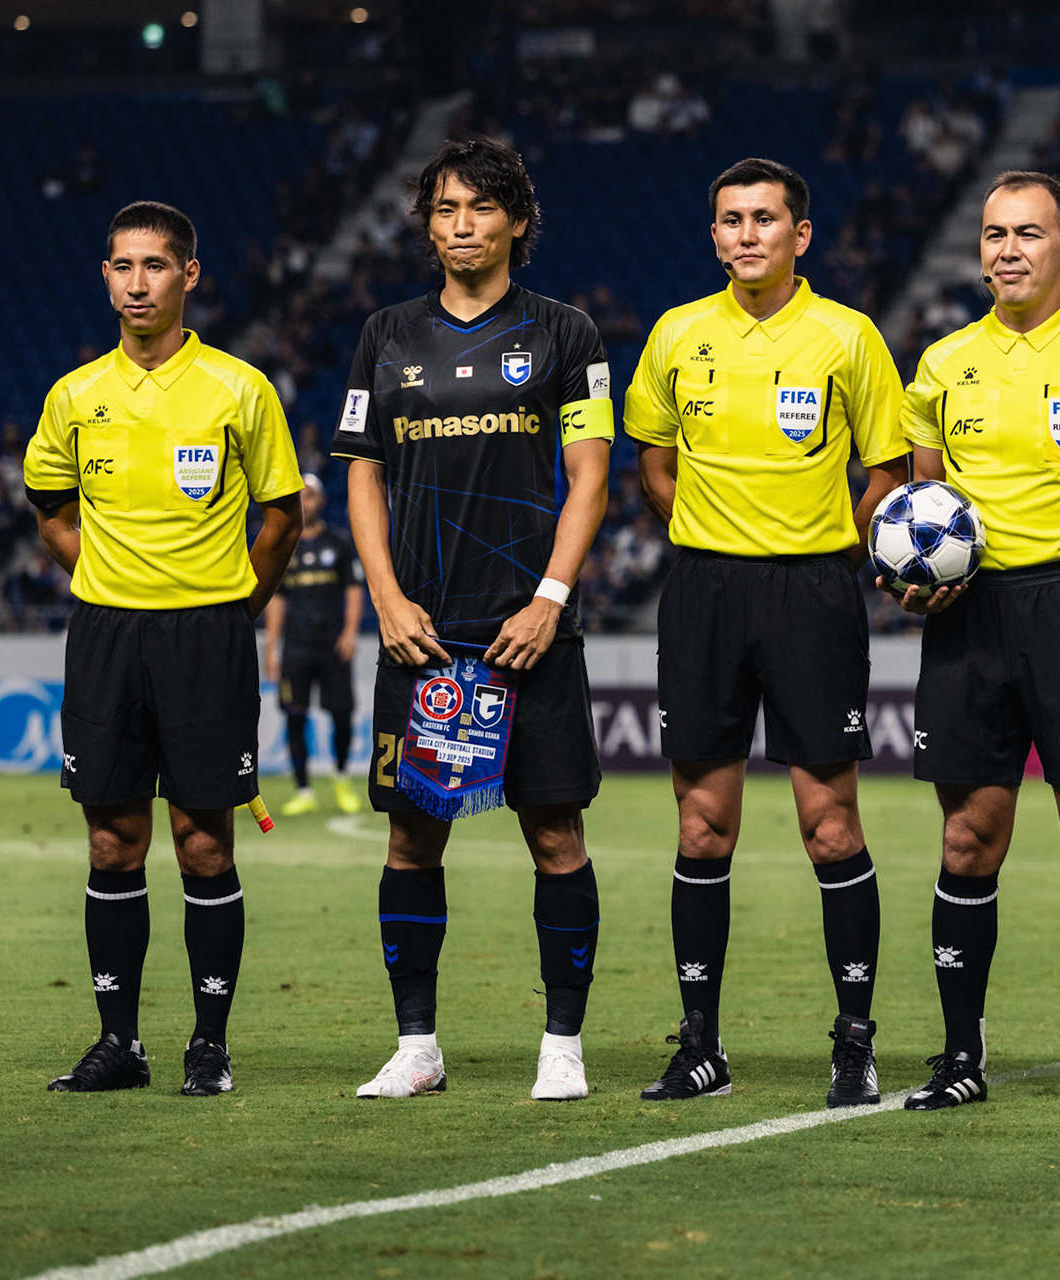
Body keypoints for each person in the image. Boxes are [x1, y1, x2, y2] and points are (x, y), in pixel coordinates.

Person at [332, 138, 615, 1102]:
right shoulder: (385, 336)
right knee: (412, 840)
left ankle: (562, 1046)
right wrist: (383, 596)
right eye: (445, 209)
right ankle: (418, 1045)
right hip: (421, 632)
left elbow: (590, 480)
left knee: (555, 838)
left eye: (481, 209)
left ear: (517, 222)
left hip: (527, 633)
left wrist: (550, 600)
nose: (461, 226)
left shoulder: (568, 335)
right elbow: (362, 476)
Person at [624, 158, 909, 1107]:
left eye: (764, 220)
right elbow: (654, 467)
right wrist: (717, 534)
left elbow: (886, 471)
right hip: (703, 591)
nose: (747, 234)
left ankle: (854, 1043)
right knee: (702, 827)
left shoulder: (849, 336)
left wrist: (815, 540)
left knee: (830, 827)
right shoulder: (676, 334)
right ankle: (700, 1045)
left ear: (801, 234)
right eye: (731, 221)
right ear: (714, 236)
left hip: (812, 595)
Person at [893, 171, 1060, 1113]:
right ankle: (960, 1057)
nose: (1009, 250)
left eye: (1029, 234)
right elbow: (920, 508)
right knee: (969, 838)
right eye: (995, 233)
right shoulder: (940, 365)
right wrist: (914, 582)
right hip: (968, 617)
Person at [25, 201, 303, 1095]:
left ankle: (209, 1046)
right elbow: (52, 512)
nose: (135, 282)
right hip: (106, 634)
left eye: (153, 266)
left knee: (202, 844)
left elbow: (282, 515)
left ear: (188, 275)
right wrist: (106, 577)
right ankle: (120, 1045)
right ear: (105, 276)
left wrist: (233, 605)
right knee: (111, 841)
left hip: (206, 636)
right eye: (120, 266)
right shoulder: (74, 394)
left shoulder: (239, 389)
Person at [262, 473, 364, 816]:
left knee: (342, 715)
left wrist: (350, 632)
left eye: (313, 496)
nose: (307, 502)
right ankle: (303, 788)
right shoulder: (284, 548)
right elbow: (278, 600)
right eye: (302, 496)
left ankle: (341, 777)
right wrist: (272, 647)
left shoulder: (339, 543)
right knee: (294, 715)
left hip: (332, 646)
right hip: (296, 648)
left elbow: (353, 589)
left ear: (321, 501)